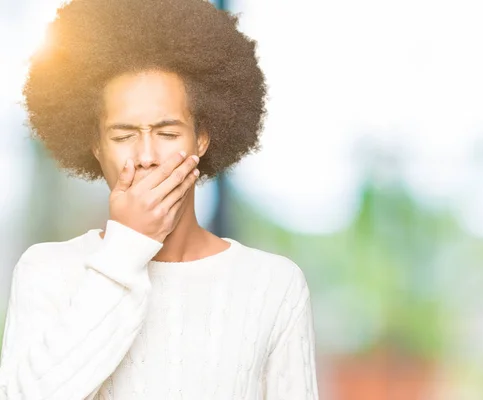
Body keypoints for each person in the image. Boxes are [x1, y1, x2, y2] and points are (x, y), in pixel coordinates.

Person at [0, 0, 319, 399]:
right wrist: (127, 247)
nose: (147, 155)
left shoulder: (273, 285)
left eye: (168, 134)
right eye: (123, 136)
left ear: (201, 139)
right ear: (96, 146)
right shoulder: (45, 271)